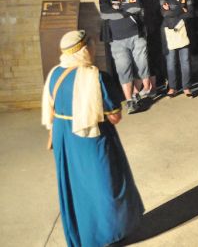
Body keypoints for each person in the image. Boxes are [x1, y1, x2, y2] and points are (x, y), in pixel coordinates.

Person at [41, 30, 143, 247]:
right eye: (91, 44)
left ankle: (83, 237)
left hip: (64, 138)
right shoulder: (96, 76)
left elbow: (51, 108)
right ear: (84, 49)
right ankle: (109, 234)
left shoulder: (54, 74)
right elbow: (114, 116)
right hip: (91, 137)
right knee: (106, 184)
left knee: (76, 187)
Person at [99, 0, 153, 113]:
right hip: (117, 39)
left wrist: (117, 11)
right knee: (124, 69)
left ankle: (137, 93)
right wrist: (125, 11)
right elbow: (105, 14)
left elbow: (136, 7)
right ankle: (130, 101)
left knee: (141, 64)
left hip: (136, 35)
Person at [160, 0, 194, 97]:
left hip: (184, 30)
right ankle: (173, 87)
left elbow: (191, 13)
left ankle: (187, 87)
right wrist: (181, 9)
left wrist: (173, 10)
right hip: (169, 30)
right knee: (171, 60)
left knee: (185, 60)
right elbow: (165, 14)